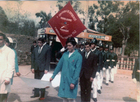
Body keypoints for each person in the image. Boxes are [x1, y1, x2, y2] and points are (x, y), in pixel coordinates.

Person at [50, 37, 82, 102]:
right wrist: (53, 76)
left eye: (70, 45)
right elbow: (59, 66)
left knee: (71, 99)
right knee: (64, 98)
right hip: (64, 80)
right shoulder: (65, 54)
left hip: (71, 80)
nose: (68, 47)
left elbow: (77, 71)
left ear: (74, 45)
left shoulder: (78, 56)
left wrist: (73, 82)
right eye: (67, 46)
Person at [0, 32, 15, 102]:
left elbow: (11, 66)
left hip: (3, 79)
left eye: (0, 39)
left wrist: (8, 78)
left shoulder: (9, 51)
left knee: (2, 98)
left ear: (4, 41)